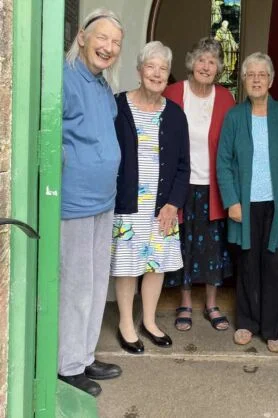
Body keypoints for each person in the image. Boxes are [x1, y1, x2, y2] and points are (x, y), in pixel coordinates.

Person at [217, 52, 278, 353]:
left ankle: (273, 328)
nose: (256, 79)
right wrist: (231, 201)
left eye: (262, 74)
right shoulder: (234, 117)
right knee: (248, 264)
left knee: (276, 265)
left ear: (271, 79)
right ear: (243, 80)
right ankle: (247, 323)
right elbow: (224, 162)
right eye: (250, 74)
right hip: (245, 203)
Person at [59, 8, 124, 397]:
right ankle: (68, 366)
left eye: (116, 43)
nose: (109, 48)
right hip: (75, 204)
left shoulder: (101, 84)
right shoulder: (66, 79)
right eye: (103, 38)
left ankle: (84, 356)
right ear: (82, 37)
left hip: (104, 201)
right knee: (77, 286)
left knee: (98, 283)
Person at [111, 41, 190, 354]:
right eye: (151, 66)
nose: (157, 73)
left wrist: (173, 203)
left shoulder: (174, 114)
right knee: (128, 265)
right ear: (139, 70)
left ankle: (149, 321)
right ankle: (126, 324)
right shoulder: (117, 106)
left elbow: (184, 164)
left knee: (156, 265)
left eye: (163, 68)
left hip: (162, 206)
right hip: (127, 202)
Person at [163, 38, 235, 332]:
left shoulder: (226, 98)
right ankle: (184, 303)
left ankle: (212, 303)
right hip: (181, 184)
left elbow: (231, 146)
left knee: (213, 247)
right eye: (202, 60)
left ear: (218, 68)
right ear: (191, 63)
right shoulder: (173, 93)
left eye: (212, 62)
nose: (206, 66)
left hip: (213, 186)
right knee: (183, 245)